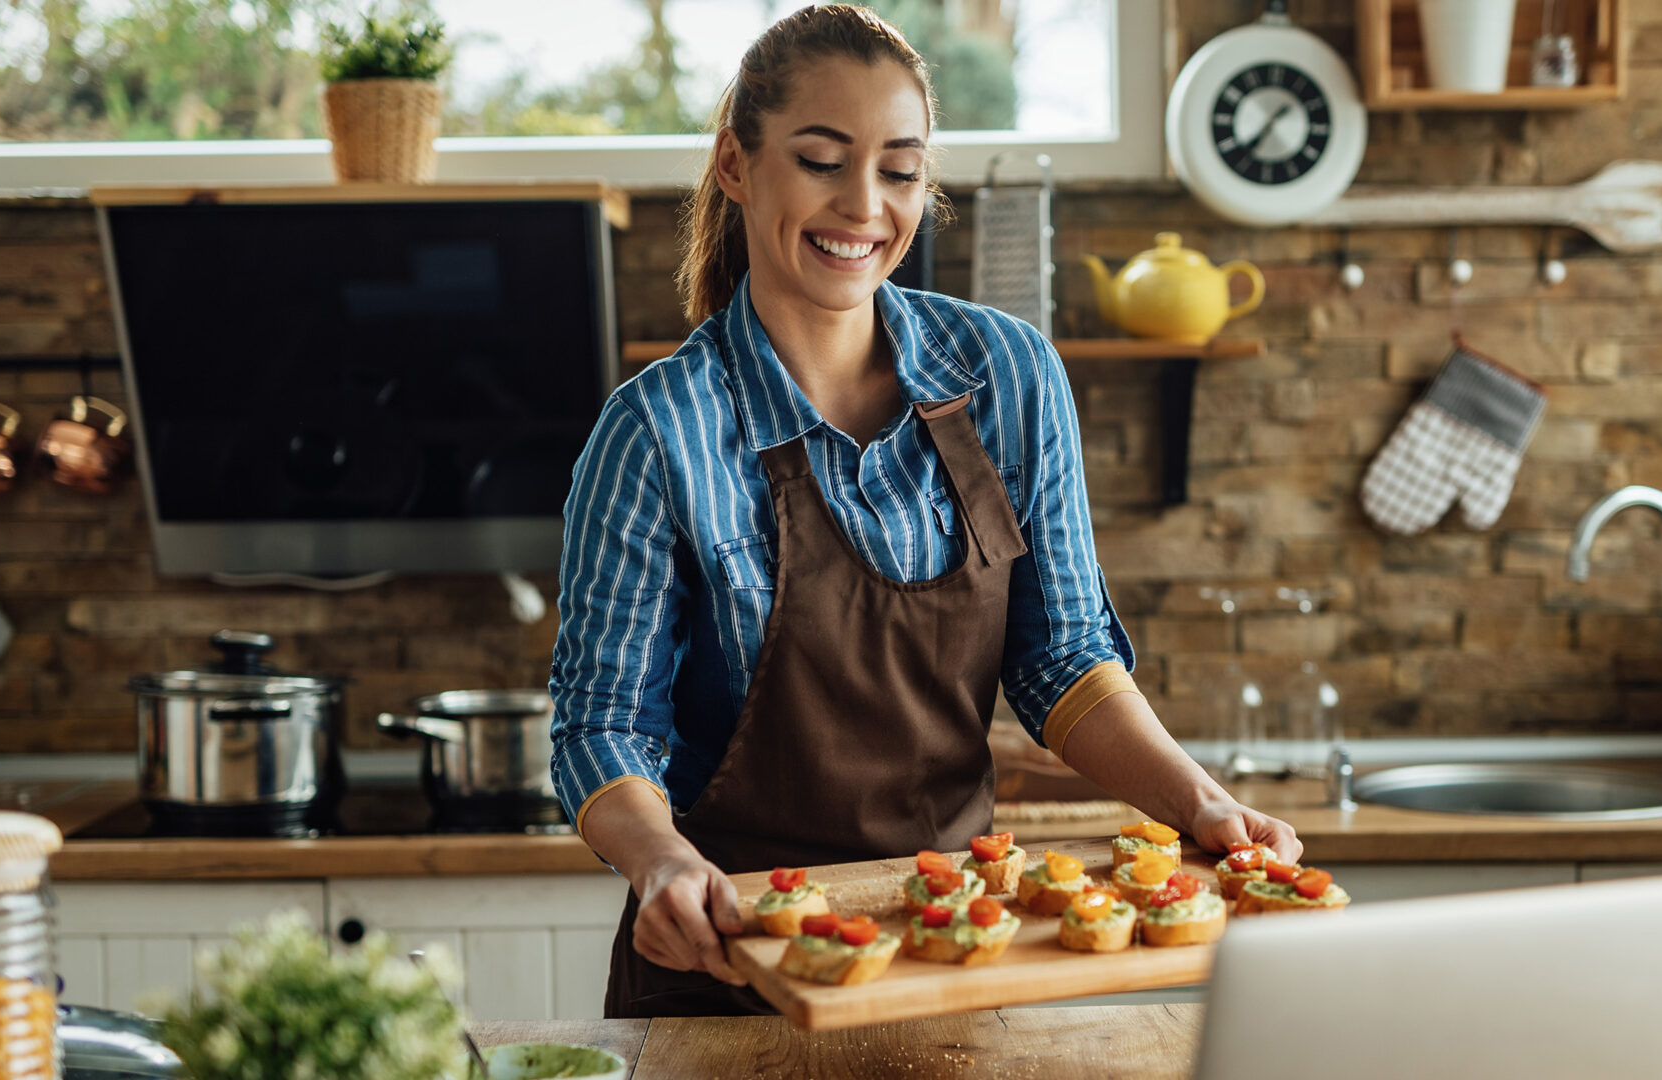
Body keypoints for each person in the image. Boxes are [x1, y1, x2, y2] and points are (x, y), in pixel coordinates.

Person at [549, 4, 1302, 1020]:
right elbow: (603, 725)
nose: (863, 204)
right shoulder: (655, 433)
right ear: (737, 162)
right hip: (729, 966)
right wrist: (661, 863)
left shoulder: (1008, 375)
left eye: (899, 170)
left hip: (948, 958)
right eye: (821, 160)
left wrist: (1197, 799)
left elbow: (1062, 655)